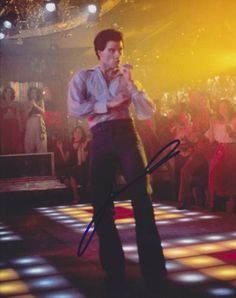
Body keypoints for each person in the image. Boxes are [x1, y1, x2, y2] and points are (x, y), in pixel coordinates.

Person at [68, 29, 166, 296]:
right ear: (100, 52)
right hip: (99, 136)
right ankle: (114, 270)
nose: (117, 54)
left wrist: (133, 87)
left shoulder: (127, 78)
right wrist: (109, 104)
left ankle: (154, 272)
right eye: (112, 50)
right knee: (101, 204)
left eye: (120, 50)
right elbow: (75, 108)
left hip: (126, 134)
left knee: (142, 198)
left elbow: (147, 112)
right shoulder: (84, 76)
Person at [0, 86, 23, 154]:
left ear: (12, 93)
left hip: (14, 125)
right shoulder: (1, 103)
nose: (8, 93)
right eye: (6, 92)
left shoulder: (16, 103)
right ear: (4, 93)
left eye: (10, 92)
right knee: (5, 143)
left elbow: (18, 115)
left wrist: (20, 127)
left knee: (15, 143)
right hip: (4, 125)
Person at [24, 86, 47, 153]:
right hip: (30, 122)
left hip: (39, 121)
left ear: (37, 94)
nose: (33, 94)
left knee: (41, 141)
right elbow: (25, 114)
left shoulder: (41, 101)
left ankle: (42, 157)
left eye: (35, 93)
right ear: (30, 94)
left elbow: (43, 112)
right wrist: (31, 106)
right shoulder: (27, 102)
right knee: (29, 141)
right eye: (32, 93)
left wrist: (35, 105)